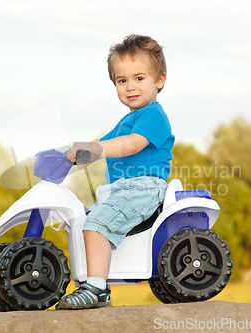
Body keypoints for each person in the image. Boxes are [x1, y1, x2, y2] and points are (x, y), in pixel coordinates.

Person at [58, 34, 175, 310]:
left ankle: (97, 288)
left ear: (159, 80)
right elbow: (102, 144)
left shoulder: (154, 116)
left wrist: (96, 150)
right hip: (123, 190)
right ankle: (92, 280)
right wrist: (74, 152)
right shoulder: (128, 120)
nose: (130, 87)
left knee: (97, 225)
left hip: (144, 188)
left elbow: (130, 145)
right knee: (83, 217)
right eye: (122, 81)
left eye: (139, 78)